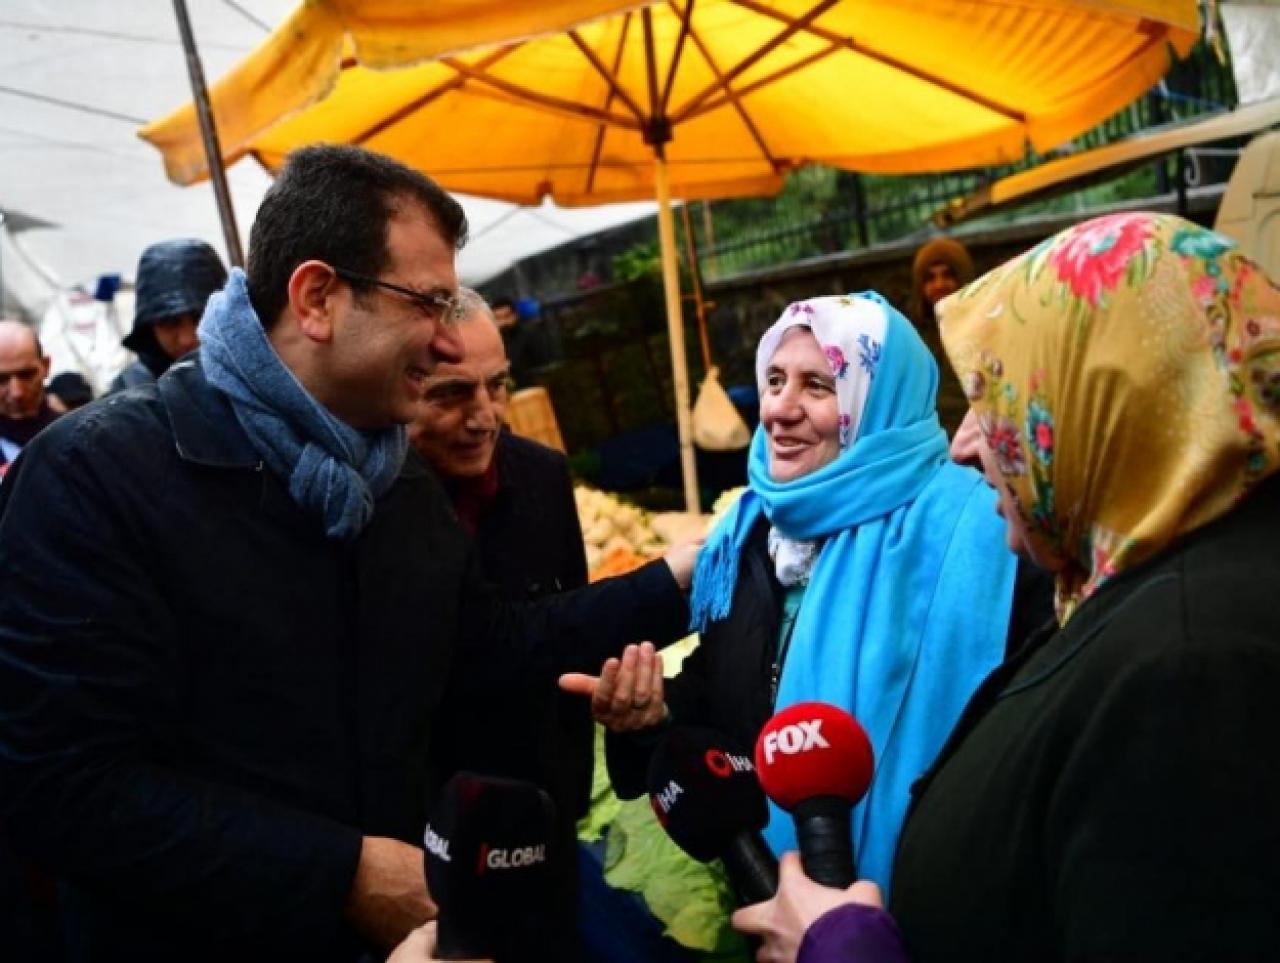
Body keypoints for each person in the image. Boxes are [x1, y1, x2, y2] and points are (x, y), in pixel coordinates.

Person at [0, 145, 694, 963]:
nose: (449, 341)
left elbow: (495, 648)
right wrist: (345, 873)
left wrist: (687, 574)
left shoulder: (396, 486)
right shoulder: (97, 475)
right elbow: (59, 781)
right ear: (319, 297)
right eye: (428, 304)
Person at [732, 212, 1280, 960]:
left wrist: (841, 946)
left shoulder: (1192, 671)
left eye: (1000, 402)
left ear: (1110, 409)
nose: (963, 442)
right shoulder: (1150, 590)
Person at [564, 292, 1025, 897]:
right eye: (774, 379)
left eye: (817, 385)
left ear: (877, 402)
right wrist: (654, 714)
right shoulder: (750, 534)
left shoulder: (984, 528)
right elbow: (726, 684)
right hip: (780, 894)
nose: (779, 408)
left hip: (938, 891)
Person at [408, 289, 592, 956]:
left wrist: (566, 796)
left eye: (498, 385)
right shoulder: (375, 501)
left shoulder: (542, 476)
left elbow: (569, 634)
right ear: (403, 389)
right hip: (424, 847)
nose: (484, 416)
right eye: (453, 393)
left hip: (539, 823)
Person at [108, 238, 227, 392]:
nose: (187, 339)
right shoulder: (132, 392)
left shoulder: (255, 375)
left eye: (200, 318)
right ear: (149, 328)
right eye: (170, 324)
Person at [0, 320, 60, 475]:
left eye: (26, 375)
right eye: (1, 380)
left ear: (45, 366)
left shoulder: (80, 436)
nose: (16, 392)